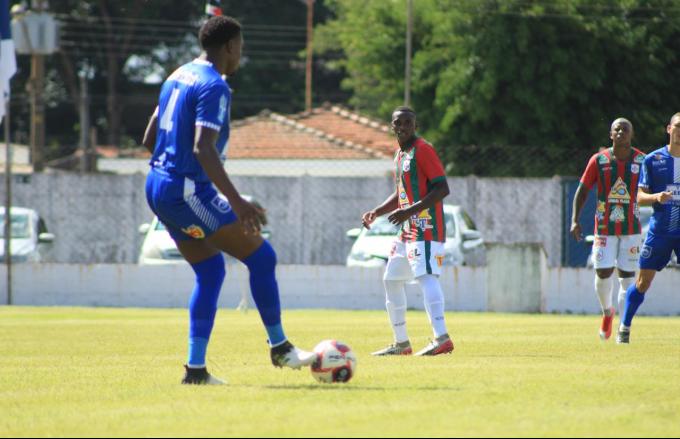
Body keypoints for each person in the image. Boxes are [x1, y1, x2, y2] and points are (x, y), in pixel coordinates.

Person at [141, 16, 315, 384]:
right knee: (262, 257)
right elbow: (203, 147)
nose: (241, 56)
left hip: (158, 185)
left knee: (210, 271)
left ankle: (196, 370)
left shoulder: (177, 75)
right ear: (230, 47)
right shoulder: (214, 86)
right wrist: (237, 202)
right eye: (241, 48)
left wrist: (171, 172)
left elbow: (149, 137)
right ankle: (280, 348)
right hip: (186, 189)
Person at [362, 106, 454, 356]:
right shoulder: (401, 155)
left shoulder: (423, 150)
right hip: (407, 230)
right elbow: (401, 194)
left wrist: (409, 211)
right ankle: (402, 343)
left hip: (426, 227)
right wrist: (377, 212)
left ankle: (442, 337)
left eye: (407, 122)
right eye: (397, 123)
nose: (401, 127)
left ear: (415, 126)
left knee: (426, 278)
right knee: (391, 280)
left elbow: (442, 188)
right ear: (392, 126)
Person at [571, 118, 646, 340]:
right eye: (617, 129)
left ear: (631, 135)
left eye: (626, 129)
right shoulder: (599, 160)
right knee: (603, 272)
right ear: (610, 135)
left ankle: (623, 327)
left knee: (627, 277)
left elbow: (652, 190)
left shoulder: (642, 160)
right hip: (604, 227)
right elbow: (582, 190)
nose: (621, 132)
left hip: (631, 229)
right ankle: (607, 312)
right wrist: (575, 220)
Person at [617, 113, 680, 344]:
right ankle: (624, 326)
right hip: (660, 232)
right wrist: (657, 197)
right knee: (643, 282)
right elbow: (638, 196)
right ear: (668, 129)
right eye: (678, 126)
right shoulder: (653, 160)